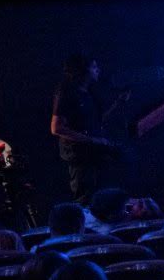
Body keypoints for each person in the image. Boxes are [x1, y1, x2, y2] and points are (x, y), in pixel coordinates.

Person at [49, 54, 118, 201]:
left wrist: (118, 102)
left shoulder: (87, 94)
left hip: (94, 153)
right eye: (93, 67)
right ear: (82, 70)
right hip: (80, 155)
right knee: (85, 197)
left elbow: (94, 121)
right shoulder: (66, 93)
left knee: (103, 195)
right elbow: (56, 127)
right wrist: (92, 140)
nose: (98, 70)